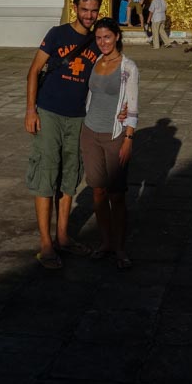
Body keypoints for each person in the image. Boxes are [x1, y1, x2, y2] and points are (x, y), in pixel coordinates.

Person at [24, 0, 102, 270]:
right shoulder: (57, 34)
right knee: (46, 172)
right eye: (84, 9)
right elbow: (33, 71)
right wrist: (31, 110)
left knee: (70, 174)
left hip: (77, 116)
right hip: (49, 111)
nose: (89, 15)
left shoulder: (97, 41)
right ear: (75, 8)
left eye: (94, 10)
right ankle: (46, 243)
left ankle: (63, 236)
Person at [80, 16, 138, 269]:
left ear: (117, 37)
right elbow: (90, 95)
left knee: (117, 194)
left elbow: (133, 106)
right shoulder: (95, 61)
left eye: (107, 37)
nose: (103, 42)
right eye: (99, 38)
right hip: (90, 132)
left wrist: (128, 138)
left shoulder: (128, 67)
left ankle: (121, 247)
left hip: (115, 135)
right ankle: (105, 242)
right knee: (98, 191)